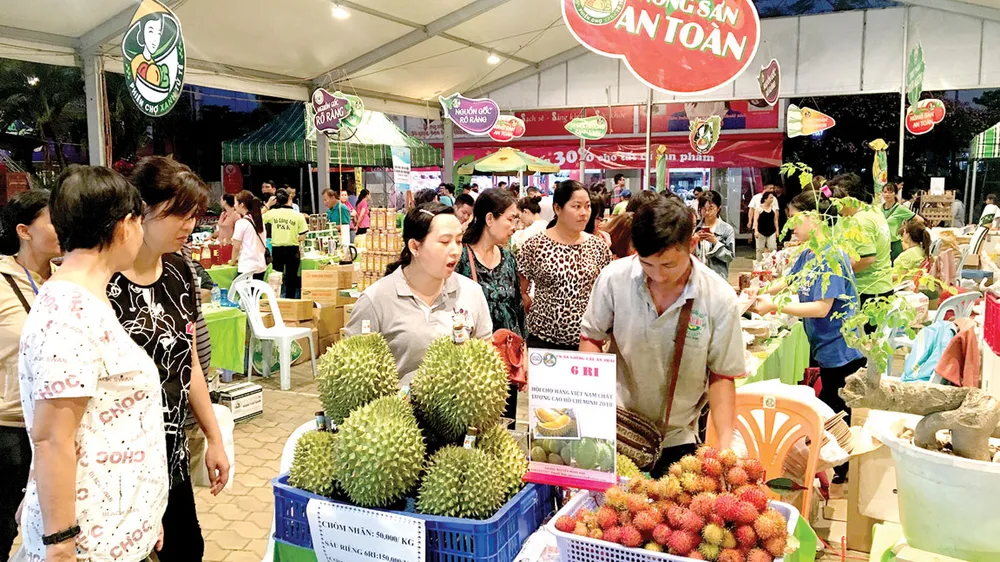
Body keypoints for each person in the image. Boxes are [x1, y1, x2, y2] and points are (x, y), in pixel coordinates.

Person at [18, 165, 168, 562]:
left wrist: (146, 504)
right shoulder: (68, 312)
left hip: (115, 529)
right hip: (90, 544)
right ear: (123, 226)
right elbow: (52, 438)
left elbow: (102, 421)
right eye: (138, 219)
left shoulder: (86, 299)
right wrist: (61, 544)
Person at [115, 156, 230, 562]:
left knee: (187, 549)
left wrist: (214, 436)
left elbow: (189, 362)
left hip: (171, 449)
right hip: (120, 461)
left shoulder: (181, 271)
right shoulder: (105, 280)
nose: (189, 225)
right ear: (139, 210)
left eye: (194, 214)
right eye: (178, 213)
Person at [580, 196, 743, 476]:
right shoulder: (614, 278)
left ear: (691, 245)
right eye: (647, 264)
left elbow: (721, 375)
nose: (658, 275)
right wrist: (594, 403)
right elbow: (591, 338)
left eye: (668, 265)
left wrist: (726, 446)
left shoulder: (718, 297)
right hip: (617, 426)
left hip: (678, 436)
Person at [753, 190, 866, 473]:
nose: (790, 226)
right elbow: (789, 281)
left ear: (813, 218)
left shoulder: (830, 256)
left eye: (793, 220)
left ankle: (842, 470)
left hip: (842, 348)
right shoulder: (809, 253)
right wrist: (758, 292)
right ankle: (832, 466)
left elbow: (821, 308)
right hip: (825, 345)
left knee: (834, 412)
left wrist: (775, 308)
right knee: (827, 406)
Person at [345, 204, 492, 383]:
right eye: (445, 242)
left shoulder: (472, 292)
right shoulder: (374, 301)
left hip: (459, 408)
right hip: (395, 409)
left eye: (459, 241)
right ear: (415, 246)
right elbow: (353, 375)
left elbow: (485, 359)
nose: (455, 251)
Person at [0, 190, 61, 561]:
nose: (64, 228)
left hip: (55, 429)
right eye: (54, 220)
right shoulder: (1, 280)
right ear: (24, 230)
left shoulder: (68, 281)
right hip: (8, 429)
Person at [518, 180, 612, 351]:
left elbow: (606, 294)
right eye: (576, 206)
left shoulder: (598, 247)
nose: (584, 213)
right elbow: (521, 290)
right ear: (558, 208)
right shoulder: (535, 245)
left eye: (588, 206)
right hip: (542, 341)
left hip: (586, 342)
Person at [456, 190, 525, 419]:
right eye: (510, 218)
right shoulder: (462, 258)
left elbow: (517, 308)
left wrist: (522, 356)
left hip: (507, 362)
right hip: (473, 365)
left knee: (506, 425)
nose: (515, 225)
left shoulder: (508, 260)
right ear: (489, 219)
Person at [830, 174, 892, 325]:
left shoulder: (860, 221)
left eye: (838, 199)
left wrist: (838, 273)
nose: (836, 205)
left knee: (866, 343)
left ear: (849, 198)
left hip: (869, 291)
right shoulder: (873, 211)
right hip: (882, 286)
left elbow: (867, 258)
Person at [264, 188, 308, 298]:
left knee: (276, 279)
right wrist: (292, 237)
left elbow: (257, 218)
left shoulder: (272, 213)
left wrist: (268, 205)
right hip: (292, 249)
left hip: (277, 249)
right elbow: (302, 236)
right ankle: (291, 303)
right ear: (289, 198)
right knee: (291, 279)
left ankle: (276, 301)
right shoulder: (298, 215)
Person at [694, 190, 736, 282]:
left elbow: (729, 257)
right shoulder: (696, 228)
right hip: (698, 277)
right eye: (703, 209)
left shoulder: (726, 229)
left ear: (718, 208)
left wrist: (715, 242)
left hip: (717, 278)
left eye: (711, 208)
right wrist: (695, 240)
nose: (707, 212)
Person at [230, 190, 268, 279]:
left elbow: (236, 247)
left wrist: (232, 261)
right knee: (256, 293)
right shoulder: (259, 221)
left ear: (241, 204)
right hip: (260, 266)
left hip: (247, 267)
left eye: (235, 203)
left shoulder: (241, 223)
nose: (234, 206)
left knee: (244, 292)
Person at [881, 182, 918, 261]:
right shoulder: (879, 208)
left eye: (890, 192)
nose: (887, 194)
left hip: (894, 244)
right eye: (885, 192)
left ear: (895, 194)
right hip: (882, 244)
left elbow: (919, 220)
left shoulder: (900, 208)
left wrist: (904, 228)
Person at [754, 190, 779, 261]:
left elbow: (776, 220)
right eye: (770, 198)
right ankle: (759, 264)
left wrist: (777, 230)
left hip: (771, 231)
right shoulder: (759, 209)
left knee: (773, 248)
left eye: (772, 198)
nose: (772, 199)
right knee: (760, 249)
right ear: (765, 199)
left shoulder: (773, 208)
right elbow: (755, 220)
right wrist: (756, 231)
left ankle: (773, 263)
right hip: (761, 231)